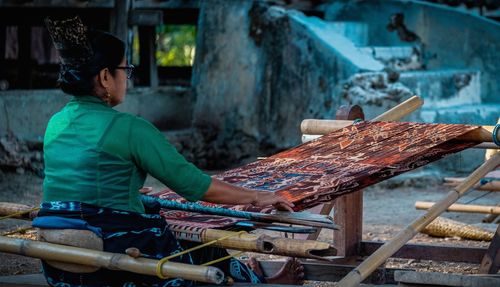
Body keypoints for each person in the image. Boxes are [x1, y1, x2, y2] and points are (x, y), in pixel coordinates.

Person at [35, 16, 304, 286]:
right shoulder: (128, 128)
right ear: (105, 76)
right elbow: (194, 185)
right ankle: (259, 282)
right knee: (198, 243)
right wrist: (257, 196)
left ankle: (253, 276)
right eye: (125, 70)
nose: (127, 79)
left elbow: (76, 178)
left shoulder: (55, 123)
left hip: (58, 258)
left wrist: (123, 192)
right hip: (113, 251)